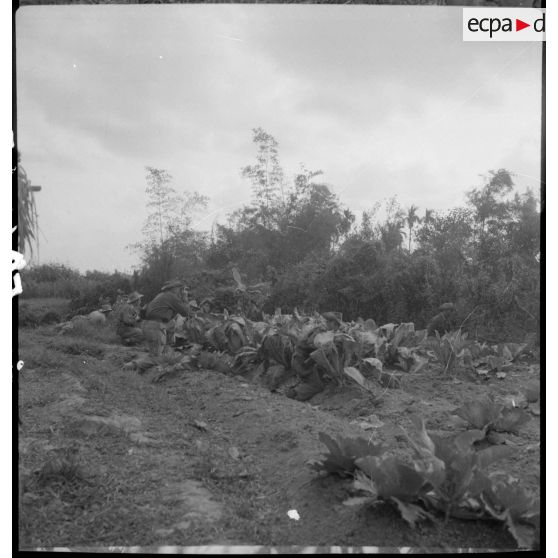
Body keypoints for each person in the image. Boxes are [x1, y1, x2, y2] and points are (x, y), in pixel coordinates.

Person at [286, 311, 342, 402]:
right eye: (336, 325)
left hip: (300, 359)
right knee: (317, 386)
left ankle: (297, 388)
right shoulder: (322, 335)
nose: (337, 328)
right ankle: (294, 393)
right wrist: (334, 375)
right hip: (301, 362)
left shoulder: (321, 331)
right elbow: (318, 355)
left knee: (315, 379)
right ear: (331, 323)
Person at [143, 279, 193, 355]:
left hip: (151, 325)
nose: (182, 291)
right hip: (155, 326)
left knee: (171, 323)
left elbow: (170, 321)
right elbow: (185, 312)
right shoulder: (171, 297)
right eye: (181, 288)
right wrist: (185, 298)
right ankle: (131, 365)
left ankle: (167, 350)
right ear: (174, 289)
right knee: (156, 357)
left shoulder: (162, 295)